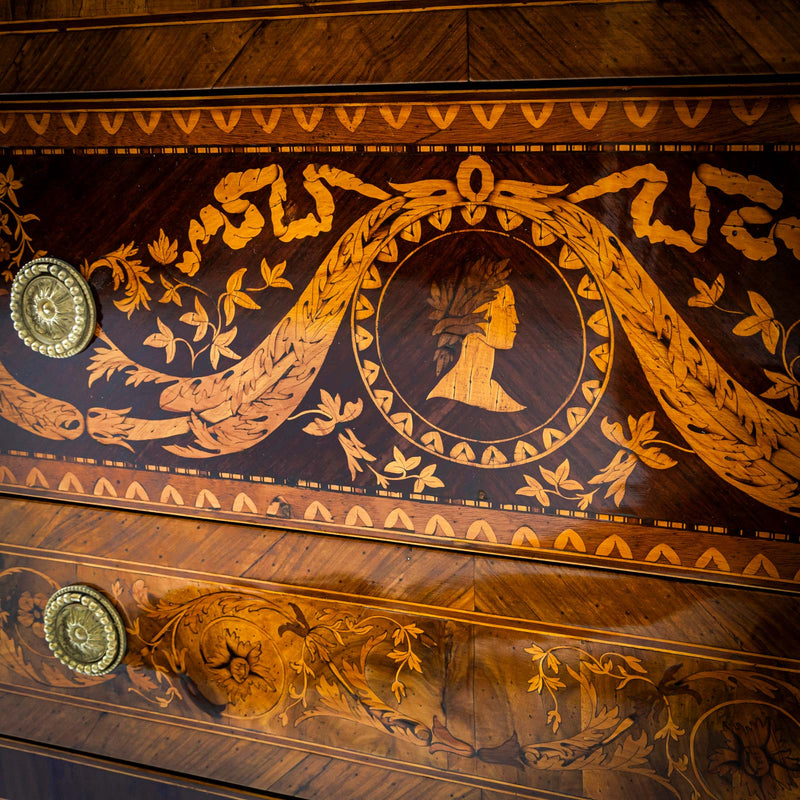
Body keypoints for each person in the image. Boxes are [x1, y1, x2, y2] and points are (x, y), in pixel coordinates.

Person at [426, 256, 525, 413]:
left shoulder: (497, 391)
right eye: (507, 308)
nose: (516, 320)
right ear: (475, 314)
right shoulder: (446, 395)